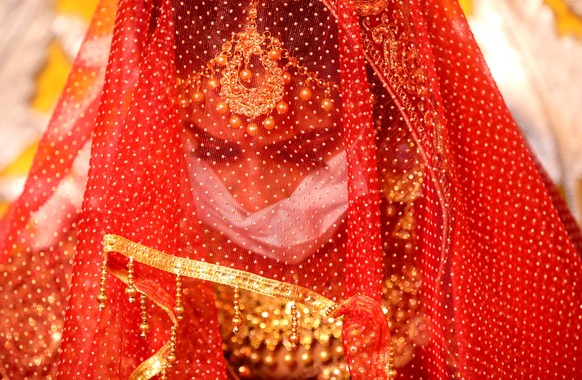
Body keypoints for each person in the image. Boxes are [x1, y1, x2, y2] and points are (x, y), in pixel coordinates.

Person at [1, 0, 580, 379]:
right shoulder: (88, 265)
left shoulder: (470, 256)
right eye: (214, 148)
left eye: (295, 153)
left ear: (384, 118)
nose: (253, 194)